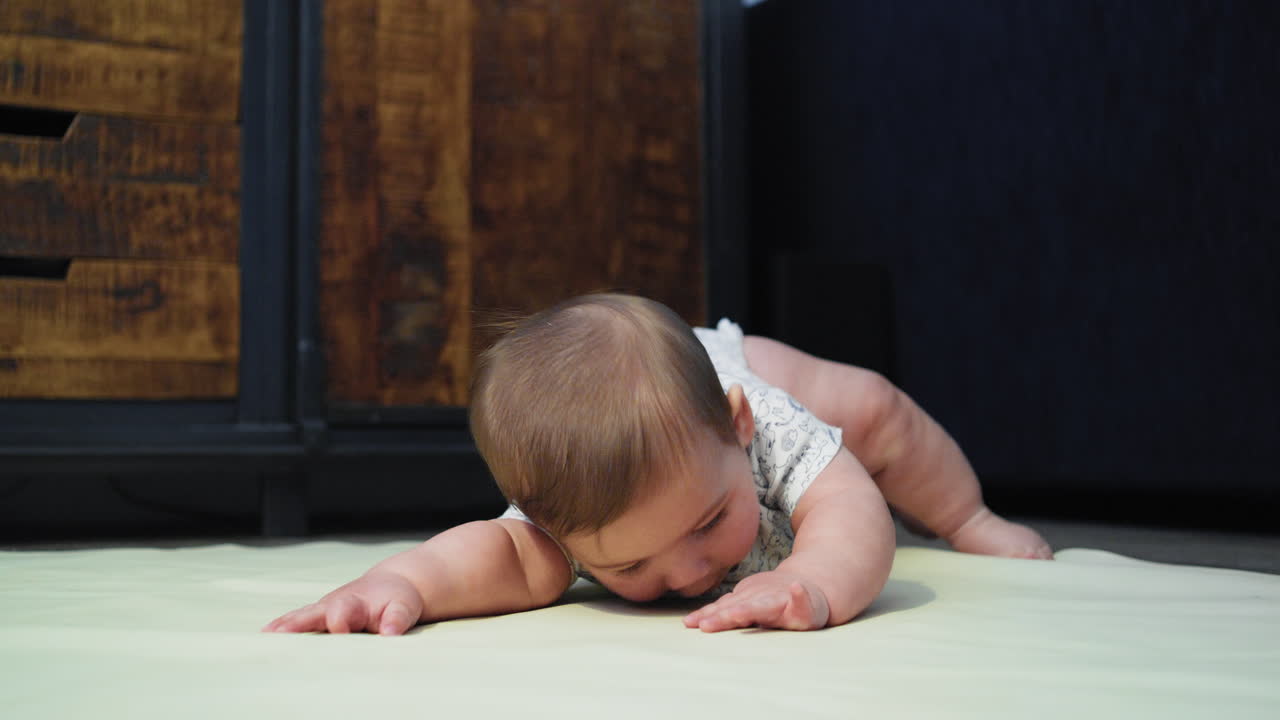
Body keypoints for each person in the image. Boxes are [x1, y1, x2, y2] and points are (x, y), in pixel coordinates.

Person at [263, 293, 1051, 636]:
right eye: (631, 563)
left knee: (875, 410)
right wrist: (400, 585)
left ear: (736, 433)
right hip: (665, 426)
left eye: (710, 521)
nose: (689, 572)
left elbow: (854, 515)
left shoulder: (757, 421)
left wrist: (813, 580)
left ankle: (968, 514)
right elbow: (495, 553)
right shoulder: (579, 498)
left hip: (733, 365)